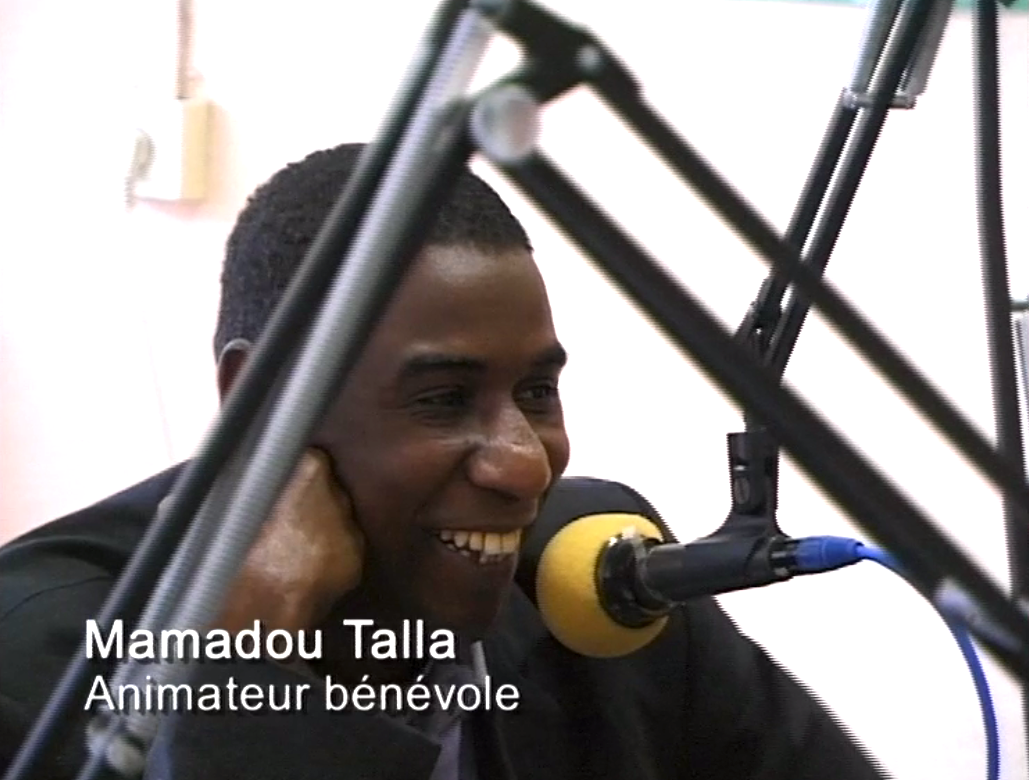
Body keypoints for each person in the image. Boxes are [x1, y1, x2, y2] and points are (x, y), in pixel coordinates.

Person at [0, 143, 887, 779]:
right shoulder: (28, 669)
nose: (523, 466)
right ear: (259, 404)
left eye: (536, 392)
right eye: (442, 400)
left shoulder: (602, 579)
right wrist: (245, 658)